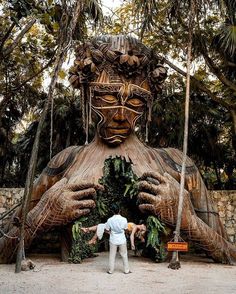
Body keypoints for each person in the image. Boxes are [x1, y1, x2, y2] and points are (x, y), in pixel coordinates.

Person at [0, 35, 236, 265]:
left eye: (134, 102)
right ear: (87, 94)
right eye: (108, 98)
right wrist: (42, 215)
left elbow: (230, 253)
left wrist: (188, 221)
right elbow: (3, 251)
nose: (122, 116)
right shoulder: (66, 161)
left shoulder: (175, 163)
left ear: (147, 103)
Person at [105, 203, 131, 274]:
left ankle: (111, 271)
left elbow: (106, 230)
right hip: (122, 239)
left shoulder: (109, 220)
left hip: (113, 239)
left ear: (112, 211)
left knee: (112, 255)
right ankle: (126, 270)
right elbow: (126, 229)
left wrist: (111, 233)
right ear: (119, 210)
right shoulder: (124, 219)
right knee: (124, 255)